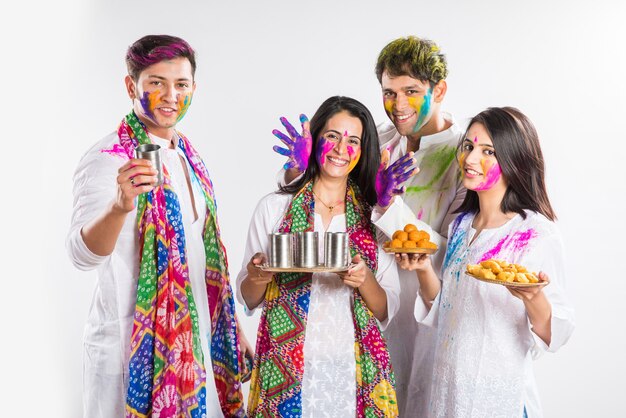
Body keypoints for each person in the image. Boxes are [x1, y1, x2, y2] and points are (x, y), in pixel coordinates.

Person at [272, 36, 464, 415]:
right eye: (389, 92)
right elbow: (315, 197)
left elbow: (453, 256)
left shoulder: (463, 158)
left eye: (411, 91)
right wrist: (300, 166)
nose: (399, 105)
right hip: (361, 317)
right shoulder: (377, 140)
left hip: (427, 322)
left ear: (439, 89)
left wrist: (388, 206)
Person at [66, 35, 250, 418]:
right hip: (130, 350)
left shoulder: (189, 157)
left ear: (194, 89)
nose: (170, 95)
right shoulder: (108, 158)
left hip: (194, 350)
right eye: (156, 82)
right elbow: (81, 255)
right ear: (131, 85)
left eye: (181, 84)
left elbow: (200, 259)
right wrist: (120, 207)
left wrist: (233, 331)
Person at [402, 107, 575, 417]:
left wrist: (534, 296)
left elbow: (554, 336)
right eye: (468, 146)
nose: (470, 159)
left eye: (487, 151)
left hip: (496, 398)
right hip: (447, 393)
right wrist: (424, 267)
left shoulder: (535, 233)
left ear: (513, 159)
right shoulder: (460, 226)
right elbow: (446, 312)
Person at [237, 96, 400, 417]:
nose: (341, 149)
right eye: (332, 136)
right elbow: (248, 298)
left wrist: (364, 279)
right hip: (285, 369)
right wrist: (257, 277)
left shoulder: (374, 218)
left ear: (364, 151)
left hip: (352, 373)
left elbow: (385, 309)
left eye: (353, 140)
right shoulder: (274, 208)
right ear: (314, 140)